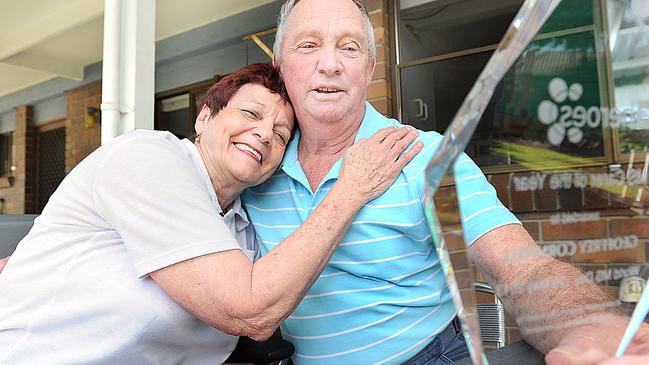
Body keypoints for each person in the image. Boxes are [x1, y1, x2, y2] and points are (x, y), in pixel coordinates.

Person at [242, 1, 649, 364]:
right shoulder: (256, 164)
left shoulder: (427, 156)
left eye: (349, 47)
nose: (329, 64)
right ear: (279, 64)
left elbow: (521, 269)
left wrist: (586, 324)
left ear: (369, 68)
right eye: (308, 45)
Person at [0, 63, 422, 364]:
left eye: (280, 134)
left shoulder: (242, 227)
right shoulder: (149, 156)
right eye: (251, 113)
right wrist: (351, 189)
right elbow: (249, 309)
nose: (263, 133)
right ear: (205, 116)